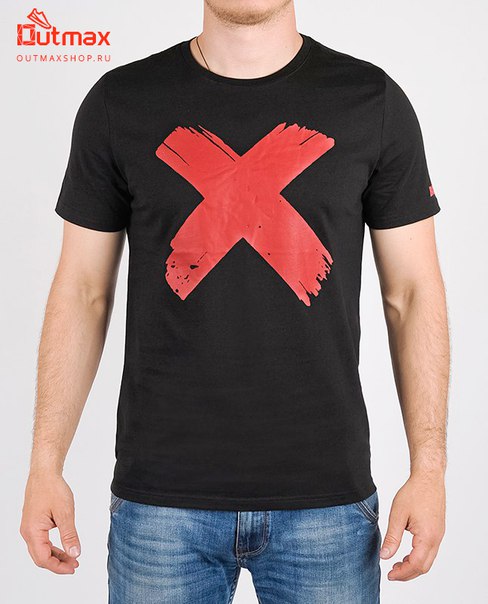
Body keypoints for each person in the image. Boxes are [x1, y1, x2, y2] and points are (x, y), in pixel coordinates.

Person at [19, 1, 449, 602]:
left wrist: (429, 470)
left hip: (327, 500)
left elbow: (412, 293)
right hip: (161, 502)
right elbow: (82, 291)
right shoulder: (121, 102)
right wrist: (45, 464)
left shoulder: (370, 101)